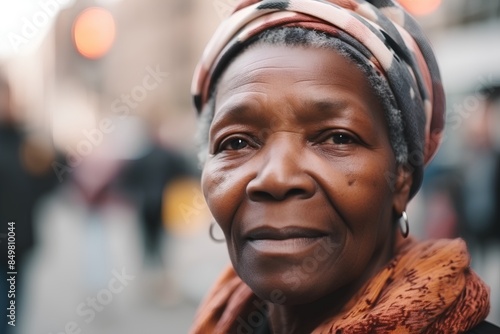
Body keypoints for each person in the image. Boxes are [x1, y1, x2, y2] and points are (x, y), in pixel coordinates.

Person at [189, 0, 499, 333]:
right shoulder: (223, 322)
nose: (276, 178)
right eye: (236, 143)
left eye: (337, 138)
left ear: (401, 179)